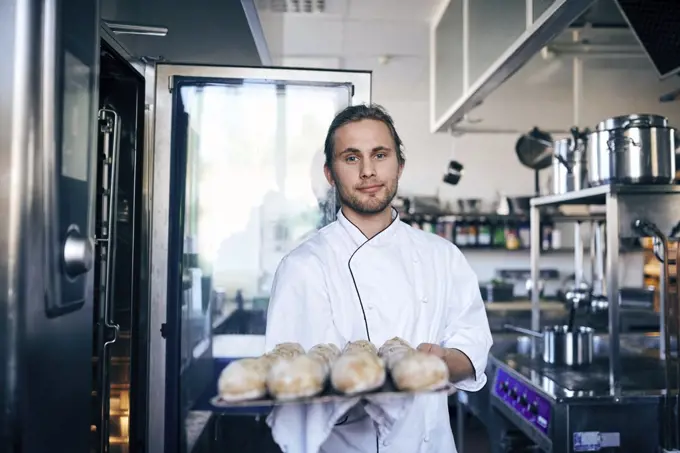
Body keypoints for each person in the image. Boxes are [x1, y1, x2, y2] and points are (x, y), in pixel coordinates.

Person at [264, 103, 493, 453]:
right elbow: (287, 385)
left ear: (399, 164)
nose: (368, 171)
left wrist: (442, 362)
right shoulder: (302, 267)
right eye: (351, 158)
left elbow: (473, 346)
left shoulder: (442, 256)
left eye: (380, 155)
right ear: (330, 173)